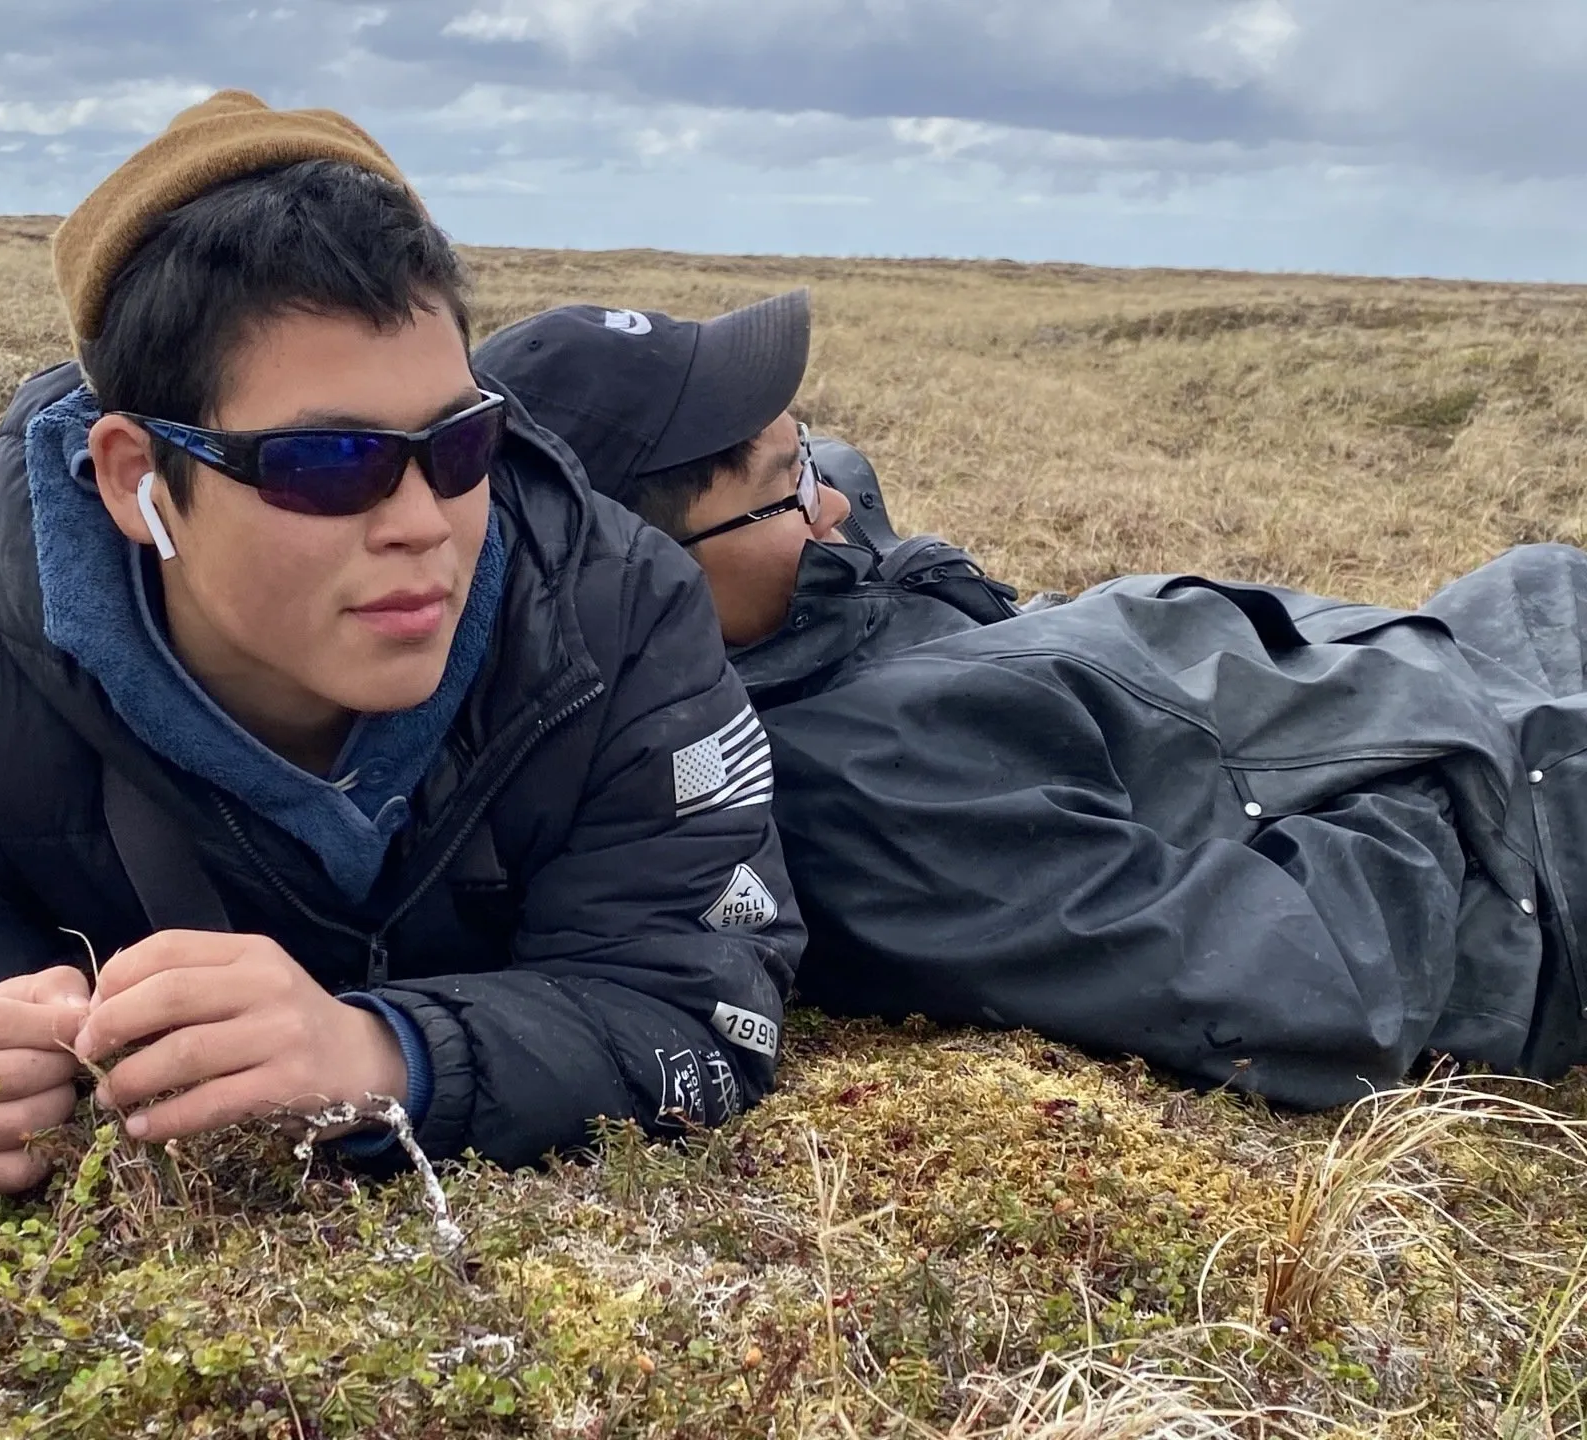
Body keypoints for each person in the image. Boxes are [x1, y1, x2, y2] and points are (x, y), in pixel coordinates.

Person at [0, 92, 803, 1195]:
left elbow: (701, 1005)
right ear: (135, 479)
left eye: (459, 443)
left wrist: (382, 1056)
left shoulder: (617, 615)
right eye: (328, 464)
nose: (420, 522)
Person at [475, 292, 1587, 1109]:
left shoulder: (796, 588)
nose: (829, 509)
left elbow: (831, 498)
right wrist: (1447, 771)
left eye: (805, 453)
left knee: (1547, 568)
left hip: (1459, 673)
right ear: (646, 587)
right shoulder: (866, 794)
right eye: (785, 489)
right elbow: (1322, 981)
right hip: (1519, 853)